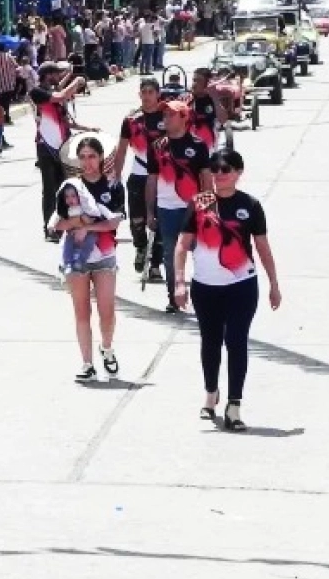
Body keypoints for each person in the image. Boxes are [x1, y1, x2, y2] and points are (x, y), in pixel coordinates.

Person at [173, 149, 281, 431]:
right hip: (206, 288)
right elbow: (182, 245)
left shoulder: (251, 205)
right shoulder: (199, 203)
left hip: (241, 285)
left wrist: (274, 283)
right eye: (216, 169)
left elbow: (262, 246)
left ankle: (234, 405)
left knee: (236, 341)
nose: (220, 174)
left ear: (238, 173)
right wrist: (180, 282)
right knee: (210, 342)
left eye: (227, 169)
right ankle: (211, 394)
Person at [51, 137, 125, 382]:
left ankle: (107, 347)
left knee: (106, 311)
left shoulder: (113, 185)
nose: (87, 162)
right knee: (81, 311)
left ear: (101, 157)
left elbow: (114, 221)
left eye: (92, 156)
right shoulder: (70, 186)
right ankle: (87, 363)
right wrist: (78, 223)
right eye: (82, 157)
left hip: (104, 254)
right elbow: (55, 223)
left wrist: (90, 228)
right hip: (75, 257)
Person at [146, 100, 214, 313]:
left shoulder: (198, 145)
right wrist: (150, 211)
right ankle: (174, 297)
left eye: (171, 114)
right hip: (167, 210)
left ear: (185, 118)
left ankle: (202, 296)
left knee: (200, 253)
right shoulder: (157, 146)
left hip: (193, 208)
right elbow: (151, 180)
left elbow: (205, 179)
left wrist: (208, 209)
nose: (165, 118)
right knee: (170, 254)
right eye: (164, 114)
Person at [30, 61, 92, 242]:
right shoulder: (37, 92)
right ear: (47, 75)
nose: (58, 77)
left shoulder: (52, 94)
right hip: (46, 147)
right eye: (55, 73)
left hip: (62, 147)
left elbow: (66, 120)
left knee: (64, 188)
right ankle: (49, 229)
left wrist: (88, 128)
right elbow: (61, 94)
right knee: (49, 190)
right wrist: (76, 81)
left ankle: (63, 225)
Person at [111, 79, 167, 281]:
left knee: (159, 220)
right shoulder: (131, 120)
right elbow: (122, 149)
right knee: (137, 220)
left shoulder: (168, 116)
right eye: (143, 91)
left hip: (163, 176)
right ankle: (141, 248)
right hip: (138, 175)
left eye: (151, 92)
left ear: (158, 94)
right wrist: (115, 177)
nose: (147, 95)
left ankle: (155, 265)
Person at [53, 182, 117, 276]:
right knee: (68, 244)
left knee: (90, 241)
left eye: (73, 196)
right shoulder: (64, 209)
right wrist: (53, 225)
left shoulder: (89, 207)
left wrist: (84, 222)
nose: (70, 199)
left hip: (92, 237)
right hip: (72, 233)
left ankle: (80, 261)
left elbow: (100, 220)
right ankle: (68, 263)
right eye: (67, 197)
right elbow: (56, 222)